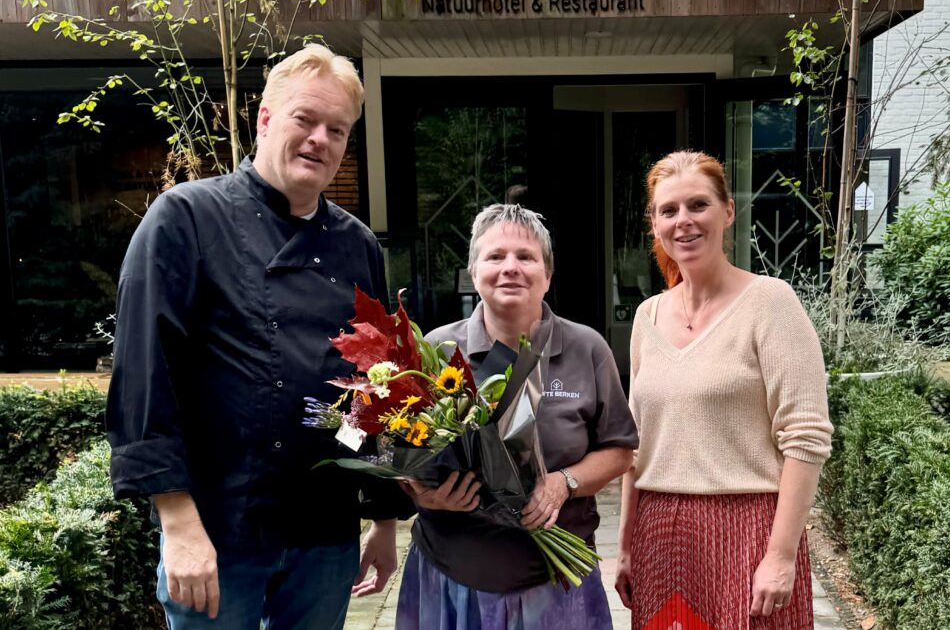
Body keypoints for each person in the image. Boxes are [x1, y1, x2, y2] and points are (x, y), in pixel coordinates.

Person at [106, 44, 414, 629]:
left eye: (337, 129)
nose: (320, 139)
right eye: (306, 119)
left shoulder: (357, 245)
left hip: (323, 533)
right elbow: (146, 377)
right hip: (221, 528)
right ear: (265, 119)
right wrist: (178, 524)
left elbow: (377, 391)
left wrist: (382, 518)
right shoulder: (185, 219)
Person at [615, 151, 833, 629]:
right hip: (661, 537)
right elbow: (636, 445)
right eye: (669, 210)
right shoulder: (646, 317)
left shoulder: (770, 304)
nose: (684, 221)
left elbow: (806, 438)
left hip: (749, 530)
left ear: (728, 211)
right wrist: (627, 546)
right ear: (654, 224)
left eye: (698, 205)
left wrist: (781, 556)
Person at [395, 203, 639, 630]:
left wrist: (563, 483)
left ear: (547, 275)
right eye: (495, 256)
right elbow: (401, 451)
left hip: (557, 585)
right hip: (452, 582)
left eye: (526, 257)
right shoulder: (436, 352)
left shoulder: (587, 348)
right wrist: (421, 495)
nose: (511, 268)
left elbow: (620, 451)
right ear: (473, 273)